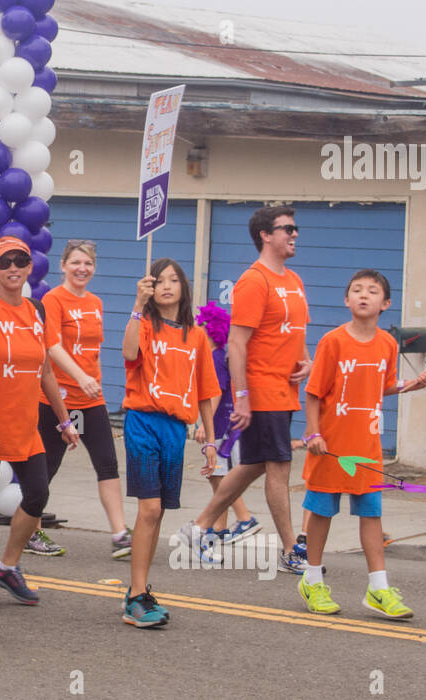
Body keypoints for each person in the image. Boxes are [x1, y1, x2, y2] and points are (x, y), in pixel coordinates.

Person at [298, 269, 426, 617]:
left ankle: (378, 588)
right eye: (357, 290)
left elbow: (383, 385)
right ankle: (312, 580)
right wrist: (313, 433)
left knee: (371, 515)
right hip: (330, 447)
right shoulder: (333, 341)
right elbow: (313, 393)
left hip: (367, 448)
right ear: (346, 300)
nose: (364, 295)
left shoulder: (388, 344)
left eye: (372, 291)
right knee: (322, 512)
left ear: (385, 303)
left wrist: (411, 385)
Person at [182, 206, 311, 575]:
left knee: (253, 465)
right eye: (287, 228)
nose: (294, 234)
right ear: (265, 235)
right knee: (279, 466)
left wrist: (308, 362)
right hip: (262, 388)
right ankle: (290, 550)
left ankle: (199, 527)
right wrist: (242, 397)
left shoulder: (294, 281)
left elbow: (295, 331)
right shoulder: (254, 281)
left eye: (294, 227)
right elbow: (237, 345)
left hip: (285, 392)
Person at [0, 236, 78, 609]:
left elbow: (47, 371)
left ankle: (7, 566)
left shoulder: (36, 311)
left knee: (37, 494)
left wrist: (64, 421)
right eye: (5, 262)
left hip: (25, 425)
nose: (13, 267)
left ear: (30, 267)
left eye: (20, 260)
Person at [121, 260, 220, 627]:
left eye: (173, 280)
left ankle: (139, 589)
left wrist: (210, 441)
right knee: (148, 509)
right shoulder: (145, 324)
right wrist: (136, 305)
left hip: (176, 429)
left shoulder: (196, 336)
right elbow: (129, 354)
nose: (166, 286)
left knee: (159, 510)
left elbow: (207, 392)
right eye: (159, 281)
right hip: (143, 422)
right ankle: (135, 596)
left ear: (184, 287)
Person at [38, 239, 131, 559]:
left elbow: (92, 351)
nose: (82, 269)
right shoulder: (53, 299)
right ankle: (30, 529)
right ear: (63, 265)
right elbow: (52, 346)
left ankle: (120, 533)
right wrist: (80, 377)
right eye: (76, 262)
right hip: (57, 398)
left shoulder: (95, 302)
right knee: (47, 466)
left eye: (88, 264)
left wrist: (93, 381)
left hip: (92, 399)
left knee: (107, 463)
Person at [190, 301, 259, 561]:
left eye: (202, 325)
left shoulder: (217, 357)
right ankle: (219, 528)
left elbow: (215, 392)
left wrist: (203, 427)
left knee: (219, 476)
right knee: (219, 475)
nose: (198, 328)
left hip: (220, 427)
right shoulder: (220, 355)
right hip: (224, 425)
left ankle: (245, 518)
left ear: (210, 329)